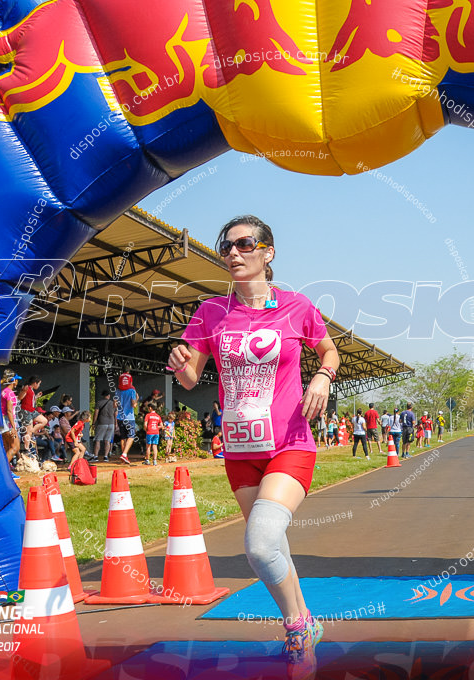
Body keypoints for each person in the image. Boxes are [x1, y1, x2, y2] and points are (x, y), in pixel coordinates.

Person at [168, 215, 338, 675]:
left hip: (290, 442)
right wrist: (179, 359)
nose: (233, 253)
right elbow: (188, 379)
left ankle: (296, 627)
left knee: (260, 544)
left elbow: (328, 350)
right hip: (240, 451)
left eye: (245, 244)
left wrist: (322, 376)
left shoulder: (296, 307)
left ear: (269, 252)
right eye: (227, 246)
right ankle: (304, 623)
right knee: (273, 542)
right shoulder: (210, 313)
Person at [115, 372, 138, 464]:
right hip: (129, 417)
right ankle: (124, 454)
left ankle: (124, 458)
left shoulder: (117, 391)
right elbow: (134, 405)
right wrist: (137, 398)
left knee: (123, 437)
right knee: (131, 436)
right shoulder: (132, 391)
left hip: (120, 417)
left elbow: (114, 404)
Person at [91, 388, 117, 462]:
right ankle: (106, 456)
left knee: (98, 440)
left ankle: (96, 456)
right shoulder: (113, 403)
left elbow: (95, 414)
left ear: (103, 396)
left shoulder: (99, 403)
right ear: (108, 396)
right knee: (107, 441)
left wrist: (93, 423)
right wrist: (116, 424)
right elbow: (115, 415)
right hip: (111, 423)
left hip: (102, 423)